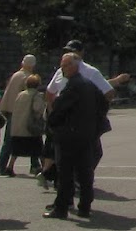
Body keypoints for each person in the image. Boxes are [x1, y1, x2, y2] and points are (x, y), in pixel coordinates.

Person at [44, 52, 102, 219]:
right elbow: (102, 105)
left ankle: (61, 208)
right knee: (85, 171)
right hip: (86, 135)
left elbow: (60, 108)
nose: (62, 69)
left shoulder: (72, 86)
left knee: (66, 173)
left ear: (73, 66)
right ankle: (85, 206)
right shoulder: (90, 85)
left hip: (69, 136)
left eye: (64, 65)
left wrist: (52, 123)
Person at [0, 54, 36, 175]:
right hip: (21, 112)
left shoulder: (16, 75)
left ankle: (2, 165)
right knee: (29, 138)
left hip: (9, 109)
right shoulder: (28, 78)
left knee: (10, 139)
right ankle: (34, 165)